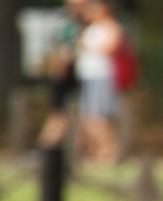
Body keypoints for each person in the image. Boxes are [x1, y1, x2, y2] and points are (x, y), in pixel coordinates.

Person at [74, 0, 123, 165]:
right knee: (88, 117)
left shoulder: (110, 27)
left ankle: (108, 151)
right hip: (87, 76)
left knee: (99, 116)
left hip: (100, 76)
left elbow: (110, 48)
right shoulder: (89, 28)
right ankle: (97, 151)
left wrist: (86, 45)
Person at [36, 0, 88, 148]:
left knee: (74, 116)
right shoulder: (63, 23)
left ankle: (69, 152)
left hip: (74, 73)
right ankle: (46, 148)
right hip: (63, 74)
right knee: (59, 115)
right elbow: (58, 49)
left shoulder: (80, 22)